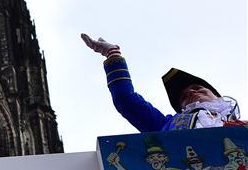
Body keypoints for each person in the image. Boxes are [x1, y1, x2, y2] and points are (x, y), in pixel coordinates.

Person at [81, 33, 242, 132]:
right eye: (183, 97)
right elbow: (126, 100)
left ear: (216, 95)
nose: (191, 93)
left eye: (197, 88)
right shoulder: (165, 125)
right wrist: (112, 54)